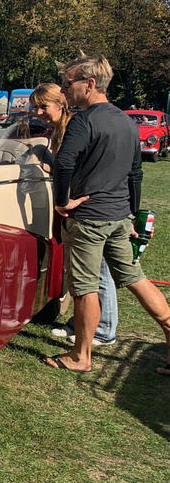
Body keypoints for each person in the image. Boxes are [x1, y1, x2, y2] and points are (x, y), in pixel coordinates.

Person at [46, 54, 170, 374]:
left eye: (68, 83)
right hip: (118, 218)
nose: (64, 89)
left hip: (88, 220)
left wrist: (62, 202)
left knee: (84, 288)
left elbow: (64, 163)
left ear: (89, 84)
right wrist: (131, 214)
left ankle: (80, 355)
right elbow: (135, 173)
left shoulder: (84, 121)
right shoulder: (127, 121)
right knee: (136, 279)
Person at [30, 83, 117, 346]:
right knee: (81, 271)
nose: (39, 112)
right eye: (36, 107)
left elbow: (75, 167)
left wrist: (65, 199)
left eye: (44, 106)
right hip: (83, 207)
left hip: (89, 208)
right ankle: (80, 324)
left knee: (98, 272)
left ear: (61, 103)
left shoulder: (73, 127)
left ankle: (103, 330)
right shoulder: (60, 129)